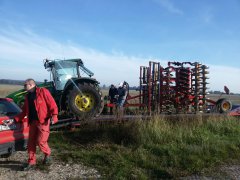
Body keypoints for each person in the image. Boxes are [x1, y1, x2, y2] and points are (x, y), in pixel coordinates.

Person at [14, 78, 58, 171]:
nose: (24, 87)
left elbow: (52, 104)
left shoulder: (43, 92)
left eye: (25, 85)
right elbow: (24, 111)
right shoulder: (27, 96)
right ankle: (31, 162)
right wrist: (15, 119)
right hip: (32, 122)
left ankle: (47, 154)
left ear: (31, 85)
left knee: (41, 141)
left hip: (43, 121)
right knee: (31, 143)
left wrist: (54, 116)